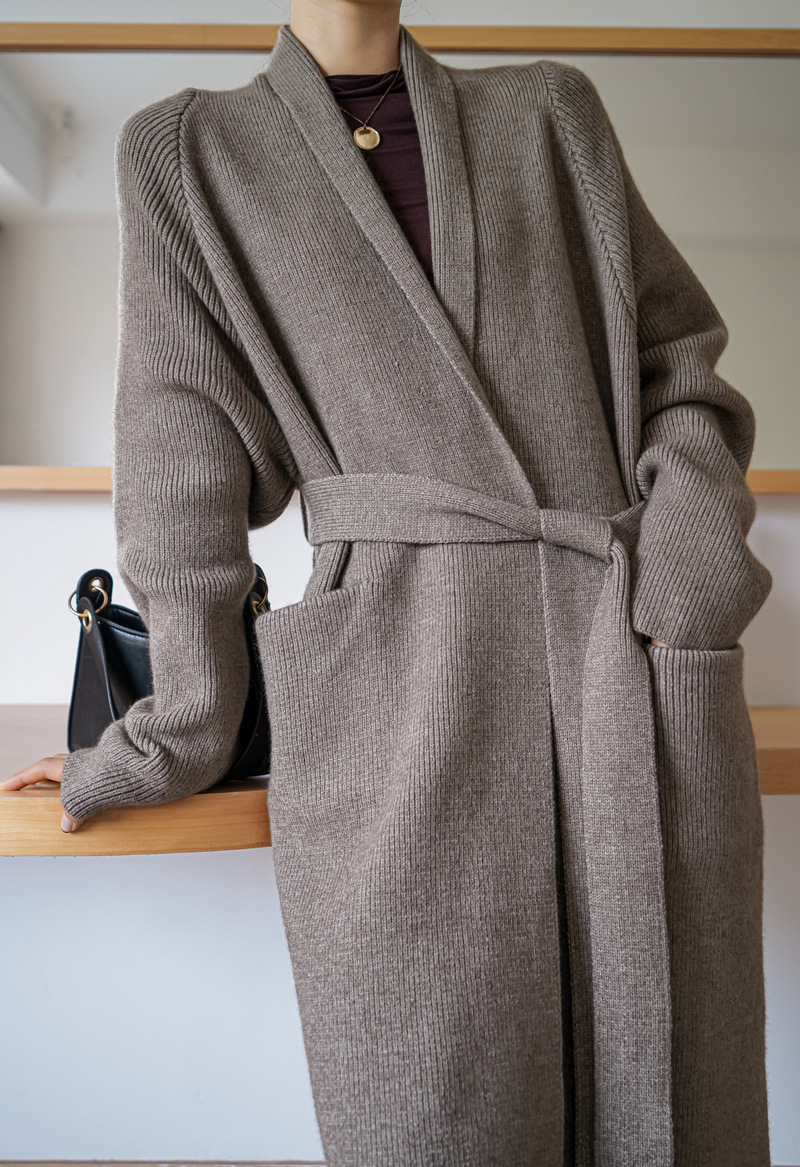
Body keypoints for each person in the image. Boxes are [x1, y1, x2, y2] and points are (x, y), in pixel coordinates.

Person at [2, 3, 773, 1164]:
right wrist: (173, 729)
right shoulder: (190, 153)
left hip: (628, 663)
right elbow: (181, 461)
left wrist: (688, 589)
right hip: (399, 693)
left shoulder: (547, 112)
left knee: (666, 1106)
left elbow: (679, 371)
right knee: (431, 1113)